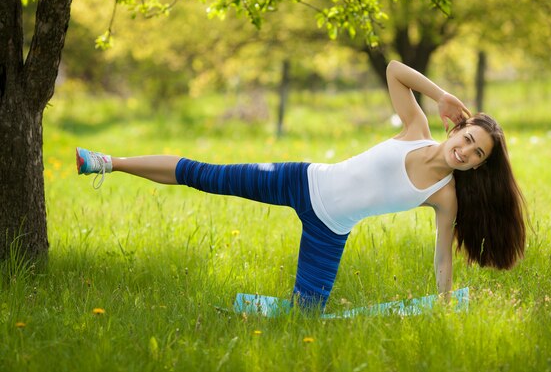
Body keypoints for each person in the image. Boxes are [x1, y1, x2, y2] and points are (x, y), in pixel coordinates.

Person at [76, 60, 526, 311]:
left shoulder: (444, 196)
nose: (466, 152)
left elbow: (442, 254)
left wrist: (445, 301)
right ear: (456, 130)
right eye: (468, 139)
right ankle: (107, 162)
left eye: (477, 154)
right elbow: (393, 69)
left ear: (477, 168)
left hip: (329, 234)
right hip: (299, 180)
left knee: (306, 314)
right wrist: (440, 94)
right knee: (202, 173)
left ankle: (236, 310)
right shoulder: (414, 126)